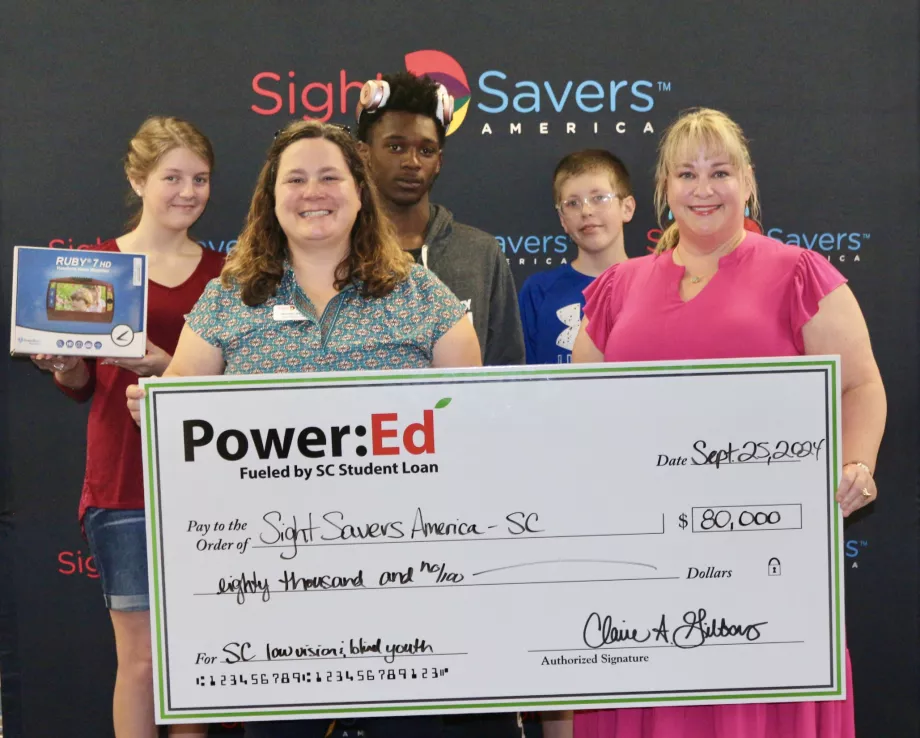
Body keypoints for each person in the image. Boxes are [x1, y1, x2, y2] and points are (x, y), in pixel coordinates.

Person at [126, 120, 482, 738]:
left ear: (358, 191)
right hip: (273, 595)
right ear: (271, 197)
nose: (311, 192)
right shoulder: (230, 296)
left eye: (328, 176)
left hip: (407, 586)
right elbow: (179, 410)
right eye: (295, 179)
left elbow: (476, 429)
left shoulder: (422, 296)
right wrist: (156, 411)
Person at [562, 107, 886, 738]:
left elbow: (860, 384)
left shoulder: (798, 273)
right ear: (662, 190)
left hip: (763, 555)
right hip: (640, 560)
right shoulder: (616, 288)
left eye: (719, 171)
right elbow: (580, 411)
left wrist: (856, 464)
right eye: (686, 174)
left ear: (748, 180)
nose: (703, 188)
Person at [31, 116, 223, 738]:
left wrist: (169, 369)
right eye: (172, 177)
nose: (188, 192)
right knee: (139, 661)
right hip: (123, 482)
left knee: (200, 659)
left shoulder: (229, 274)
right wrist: (64, 365)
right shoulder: (95, 266)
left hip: (208, 483)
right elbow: (81, 384)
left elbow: (238, 391)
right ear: (137, 180)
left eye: (200, 179)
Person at [355, 71, 525, 368]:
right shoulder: (338, 252)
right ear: (363, 154)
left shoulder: (480, 253)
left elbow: (506, 369)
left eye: (426, 150)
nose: (412, 162)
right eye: (395, 147)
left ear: (439, 162)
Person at [518, 150, 635, 364]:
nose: (586, 211)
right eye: (573, 203)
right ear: (562, 220)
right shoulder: (538, 291)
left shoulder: (649, 284)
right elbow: (524, 382)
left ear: (626, 208)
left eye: (599, 198)